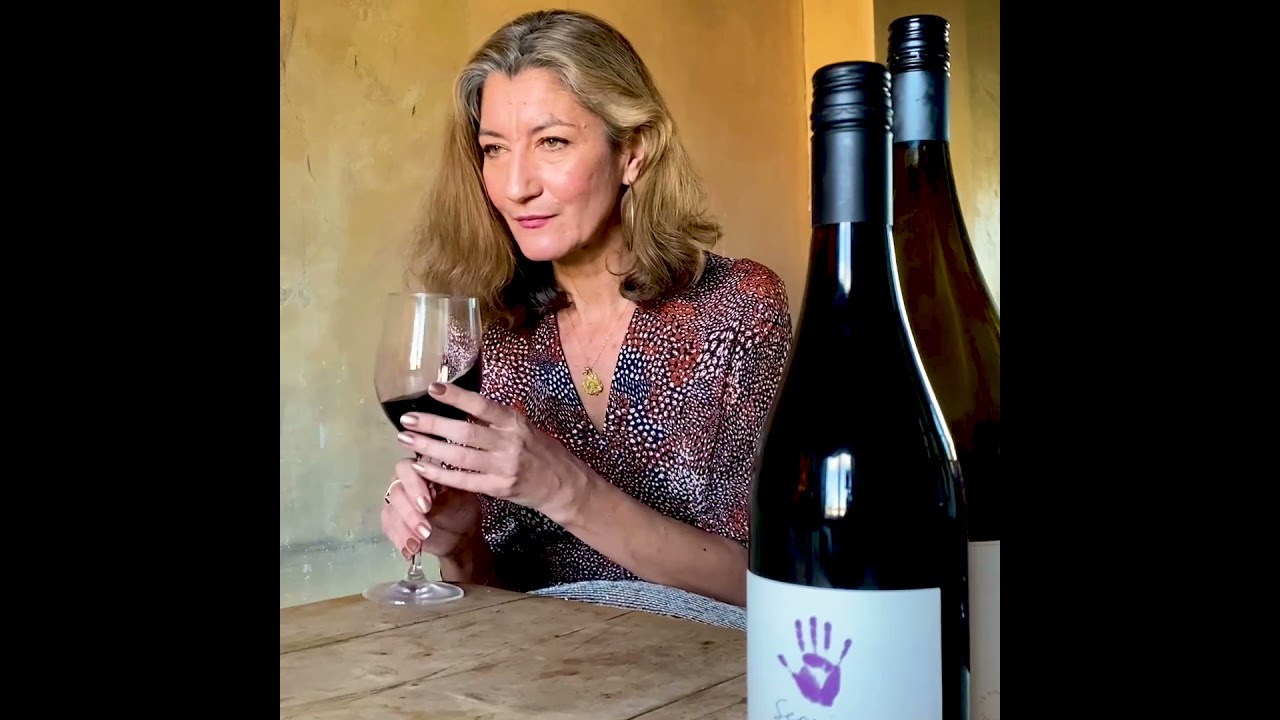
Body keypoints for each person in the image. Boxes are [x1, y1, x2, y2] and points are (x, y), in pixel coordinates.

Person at [379, 8, 791, 608]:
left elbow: (771, 586)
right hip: (546, 658)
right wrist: (459, 542)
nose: (516, 186)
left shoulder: (739, 308)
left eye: (552, 142)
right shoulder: (483, 333)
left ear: (633, 152)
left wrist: (565, 489)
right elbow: (494, 594)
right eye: (494, 149)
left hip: (703, 656)